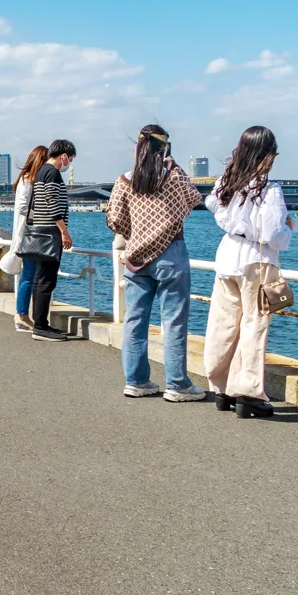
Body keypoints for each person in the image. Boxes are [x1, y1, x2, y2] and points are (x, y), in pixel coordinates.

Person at [106, 126, 206, 402]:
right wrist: (175, 168)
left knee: (134, 321)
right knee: (173, 322)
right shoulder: (172, 177)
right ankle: (177, 384)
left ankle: (136, 380)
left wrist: (135, 232)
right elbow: (194, 199)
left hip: (136, 257)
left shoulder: (125, 180)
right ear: (164, 149)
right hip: (171, 255)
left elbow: (114, 219)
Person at [203, 126, 296, 419]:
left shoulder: (225, 182)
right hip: (256, 261)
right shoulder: (270, 190)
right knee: (254, 326)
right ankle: (248, 393)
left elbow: (212, 206)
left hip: (227, 257)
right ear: (267, 155)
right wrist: (289, 230)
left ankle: (221, 388)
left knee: (223, 324)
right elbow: (272, 234)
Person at [27, 140, 76, 343]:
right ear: (63, 155)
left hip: (40, 230)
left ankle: (40, 323)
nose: (69, 163)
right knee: (47, 279)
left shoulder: (41, 172)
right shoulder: (52, 173)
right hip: (50, 232)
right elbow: (53, 204)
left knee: (40, 279)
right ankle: (40, 326)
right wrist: (64, 231)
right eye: (70, 159)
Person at [0, 147, 49, 333]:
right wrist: (43, 215)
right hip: (29, 235)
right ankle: (21, 315)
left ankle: (23, 315)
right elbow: (22, 208)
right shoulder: (28, 179)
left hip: (30, 234)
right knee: (29, 276)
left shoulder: (28, 178)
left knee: (30, 275)